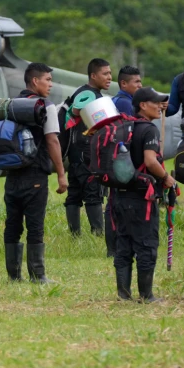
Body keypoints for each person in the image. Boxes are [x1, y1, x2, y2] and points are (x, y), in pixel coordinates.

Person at [4, 63, 68, 284]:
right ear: (35, 81)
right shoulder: (46, 106)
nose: (51, 84)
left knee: (12, 224)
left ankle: (13, 276)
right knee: (35, 225)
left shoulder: (12, 105)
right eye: (47, 79)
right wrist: (61, 174)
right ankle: (38, 275)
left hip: (12, 174)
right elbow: (52, 140)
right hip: (35, 175)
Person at [111, 88, 175, 302]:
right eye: (155, 102)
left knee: (124, 245)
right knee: (146, 245)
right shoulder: (149, 130)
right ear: (142, 105)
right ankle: (147, 295)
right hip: (141, 199)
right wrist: (166, 177)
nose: (160, 106)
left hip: (119, 196)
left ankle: (123, 294)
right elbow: (150, 161)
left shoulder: (125, 128)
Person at [63, 58, 112, 237]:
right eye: (105, 74)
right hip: (88, 153)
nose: (109, 77)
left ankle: (75, 236)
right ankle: (98, 234)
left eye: (110, 73)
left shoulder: (79, 93)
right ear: (93, 75)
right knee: (93, 194)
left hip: (75, 153)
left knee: (74, 195)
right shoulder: (91, 97)